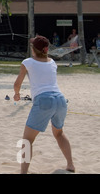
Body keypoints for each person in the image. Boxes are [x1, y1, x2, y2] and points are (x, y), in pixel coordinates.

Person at [13, 35, 74, 174]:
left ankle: (23, 172)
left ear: (33, 49)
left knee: (27, 140)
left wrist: (16, 94)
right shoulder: (52, 62)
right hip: (60, 99)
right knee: (59, 134)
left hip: (44, 100)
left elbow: (17, 84)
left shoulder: (27, 62)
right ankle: (70, 165)